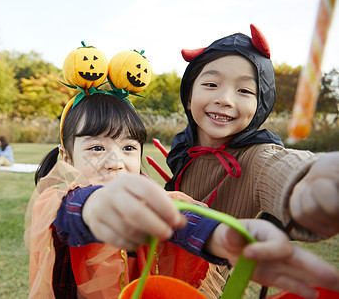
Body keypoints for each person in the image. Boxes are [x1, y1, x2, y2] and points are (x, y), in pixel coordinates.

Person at [24, 92, 338, 299]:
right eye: (96, 147)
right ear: (67, 158)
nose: (115, 161)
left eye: (129, 148)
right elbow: (70, 214)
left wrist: (224, 235)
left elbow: (182, 221)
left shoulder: (151, 201)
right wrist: (97, 205)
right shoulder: (56, 201)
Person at [164, 24, 339, 295]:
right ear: (189, 96)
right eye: (211, 84)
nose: (224, 99)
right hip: (153, 274)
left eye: (244, 91)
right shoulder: (184, 149)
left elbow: (280, 168)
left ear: (261, 104)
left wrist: (311, 179)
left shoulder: (257, 157)